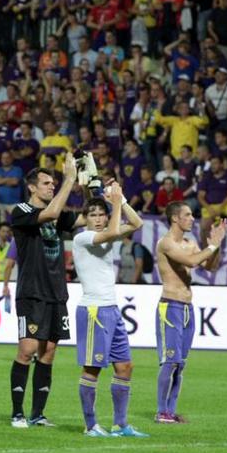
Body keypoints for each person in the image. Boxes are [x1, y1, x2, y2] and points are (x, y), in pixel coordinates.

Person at [9, 154, 82, 429]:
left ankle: (38, 414)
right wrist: (70, 179)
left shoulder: (58, 215)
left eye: (54, 183)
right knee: (27, 349)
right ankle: (17, 413)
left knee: (49, 352)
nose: (52, 186)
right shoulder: (21, 211)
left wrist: (92, 188)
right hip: (31, 292)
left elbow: (86, 218)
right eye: (46, 183)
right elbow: (50, 214)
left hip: (56, 292)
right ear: (32, 187)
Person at [72, 185, 149, 438]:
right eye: (92, 215)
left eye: (100, 214)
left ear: (106, 217)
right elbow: (115, 231)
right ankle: (91, 425)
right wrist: (114, 204)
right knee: (92, 369)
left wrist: (122, 200)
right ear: (85, 218)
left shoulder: (108, 232)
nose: (97, 219)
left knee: (125, 366)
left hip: (112, 310)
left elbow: (136, 223)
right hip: (93, 310)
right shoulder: (82, 238)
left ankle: (120, 425)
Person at [154, 201, 225, 424]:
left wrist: (217, 245)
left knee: (180, 363)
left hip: (187, 308)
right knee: (170, 362)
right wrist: (211, 246)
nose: (192, 218)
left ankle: (171, 411)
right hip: (170, 307)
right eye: (188, 214)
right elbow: (192, 262)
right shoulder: (165, 243)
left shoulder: (190, 242)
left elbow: (210, 267)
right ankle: (161, 412)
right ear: (175, 218)